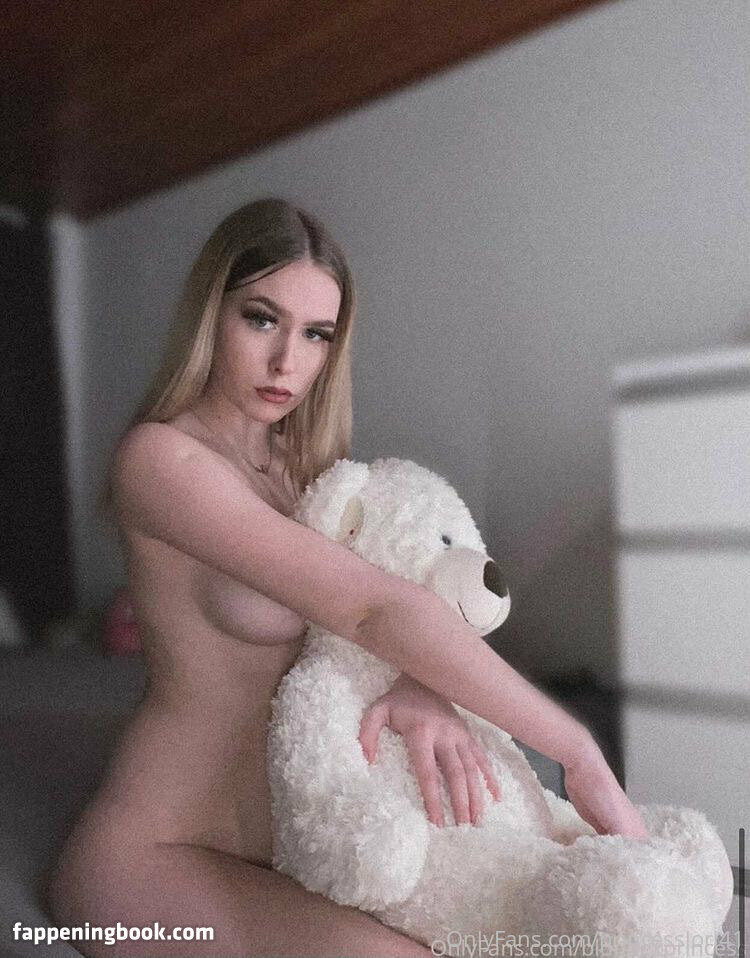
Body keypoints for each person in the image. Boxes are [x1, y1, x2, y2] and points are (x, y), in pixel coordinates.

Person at [46, 198, 648, 958]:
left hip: (294, 844)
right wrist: (576, 751)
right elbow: (371, 609)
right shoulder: (161, 462)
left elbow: (396, 607)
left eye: (315, 334)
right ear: (210, 316)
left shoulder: (304, 471)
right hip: (159, 850)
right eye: (260, 319)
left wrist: (421, 683)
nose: (286, 361)